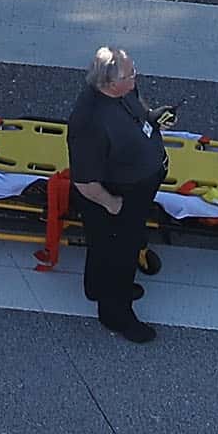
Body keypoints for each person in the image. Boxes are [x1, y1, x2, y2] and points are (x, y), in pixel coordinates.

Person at [67, 46, 170, 344]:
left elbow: (139, 111)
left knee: (103, 249)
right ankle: (116, 314)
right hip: (115, 200)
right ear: (110, 83)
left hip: (133, 190)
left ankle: (96, 287)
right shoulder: (88, 122)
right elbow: (85, 181)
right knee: (119, 257)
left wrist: (154, 117)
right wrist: (114, 206)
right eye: (130, 74)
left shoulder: (123, 92)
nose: (135, 76)